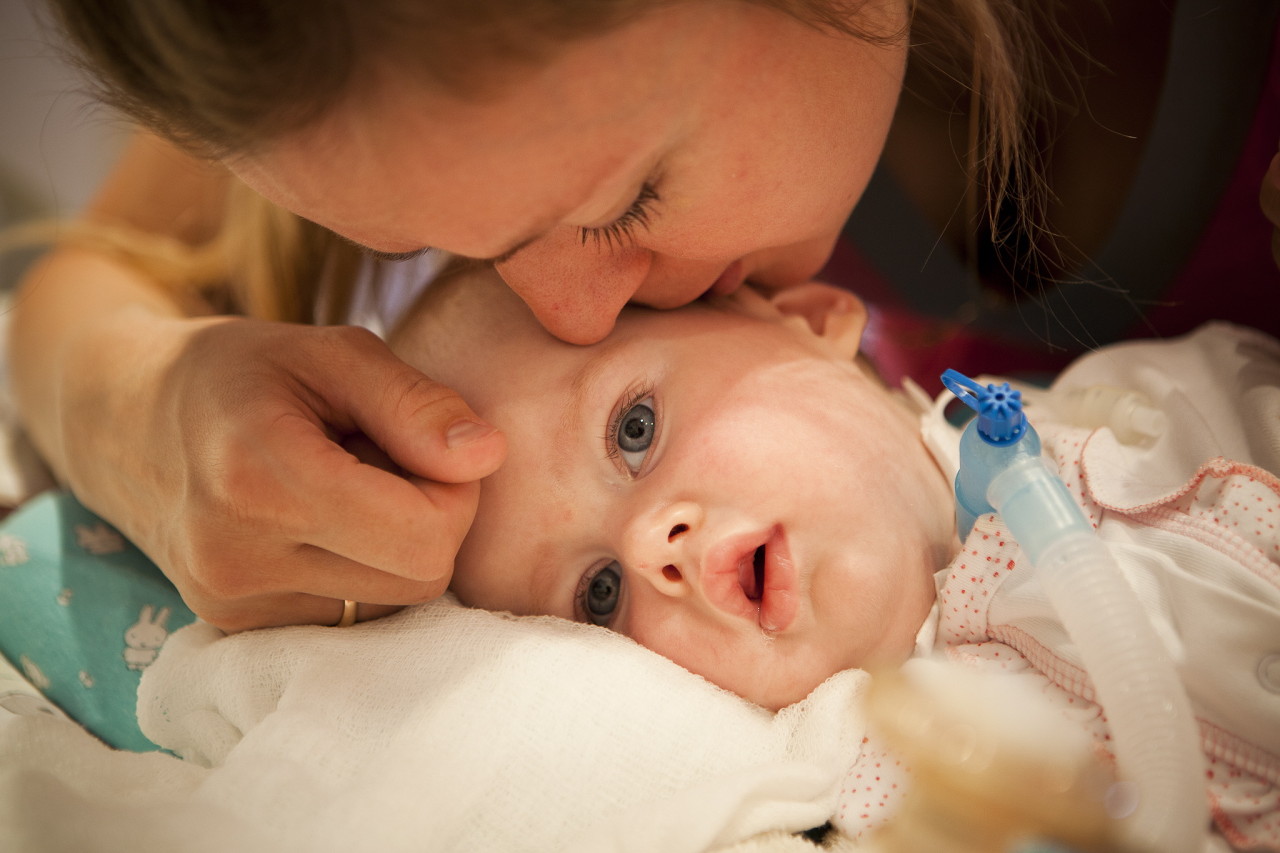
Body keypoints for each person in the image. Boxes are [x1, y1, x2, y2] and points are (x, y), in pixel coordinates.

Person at [12, 0, 1279, 632]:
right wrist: (138, 401)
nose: (568, 315)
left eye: (622, 202)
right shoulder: (346, 40)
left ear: (823, 322)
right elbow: (83, 282)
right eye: (456, 249)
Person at [392, 261, 1280, 849]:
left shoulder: (1160, 417)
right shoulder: (881, 799)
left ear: (807, 321)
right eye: (599, 594)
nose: (645, 543)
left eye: (635, 427)